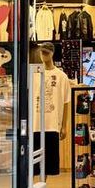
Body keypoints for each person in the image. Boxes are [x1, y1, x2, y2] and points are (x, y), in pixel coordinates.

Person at [32, 42, 71, 175]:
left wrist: (64, 126)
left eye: (46, 53)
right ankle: (34, 186)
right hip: (36, 124)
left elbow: (66, 101)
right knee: (34, 166)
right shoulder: (34, 74)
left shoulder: (61, 76)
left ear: (52, 53)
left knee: (49, 166)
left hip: (53, 124)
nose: (43, 55)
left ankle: (44, 185)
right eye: (42, 52)